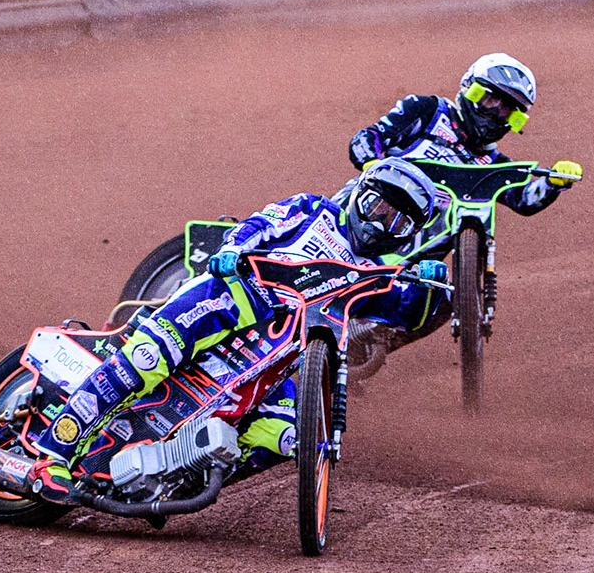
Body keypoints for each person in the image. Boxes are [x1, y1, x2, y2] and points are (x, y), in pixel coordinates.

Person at [25, 158, 449, 504]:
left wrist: (440, 281)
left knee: (292, 437)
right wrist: (232, 249)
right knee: (144, 361)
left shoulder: (377, 276)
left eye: (397, 222)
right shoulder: (314, 209)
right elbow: (259, 224)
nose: (380, 223)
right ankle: (53, 457)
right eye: (378, 207)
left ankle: (181, 476)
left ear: (409, 235)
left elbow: (412, 310)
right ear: (360, 195)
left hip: (269, 366)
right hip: (221, 305)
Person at [347, 52, 583, 239]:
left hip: (412, 249)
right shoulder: (427, 111)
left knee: (442, 295)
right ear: (469, 87)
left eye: (507, 111)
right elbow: (368, 137)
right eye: (490, 100)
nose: (495, 113)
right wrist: (373, 165)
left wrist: (553, 182)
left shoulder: (494, 165)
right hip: (360, 216)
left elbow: (523, 199)